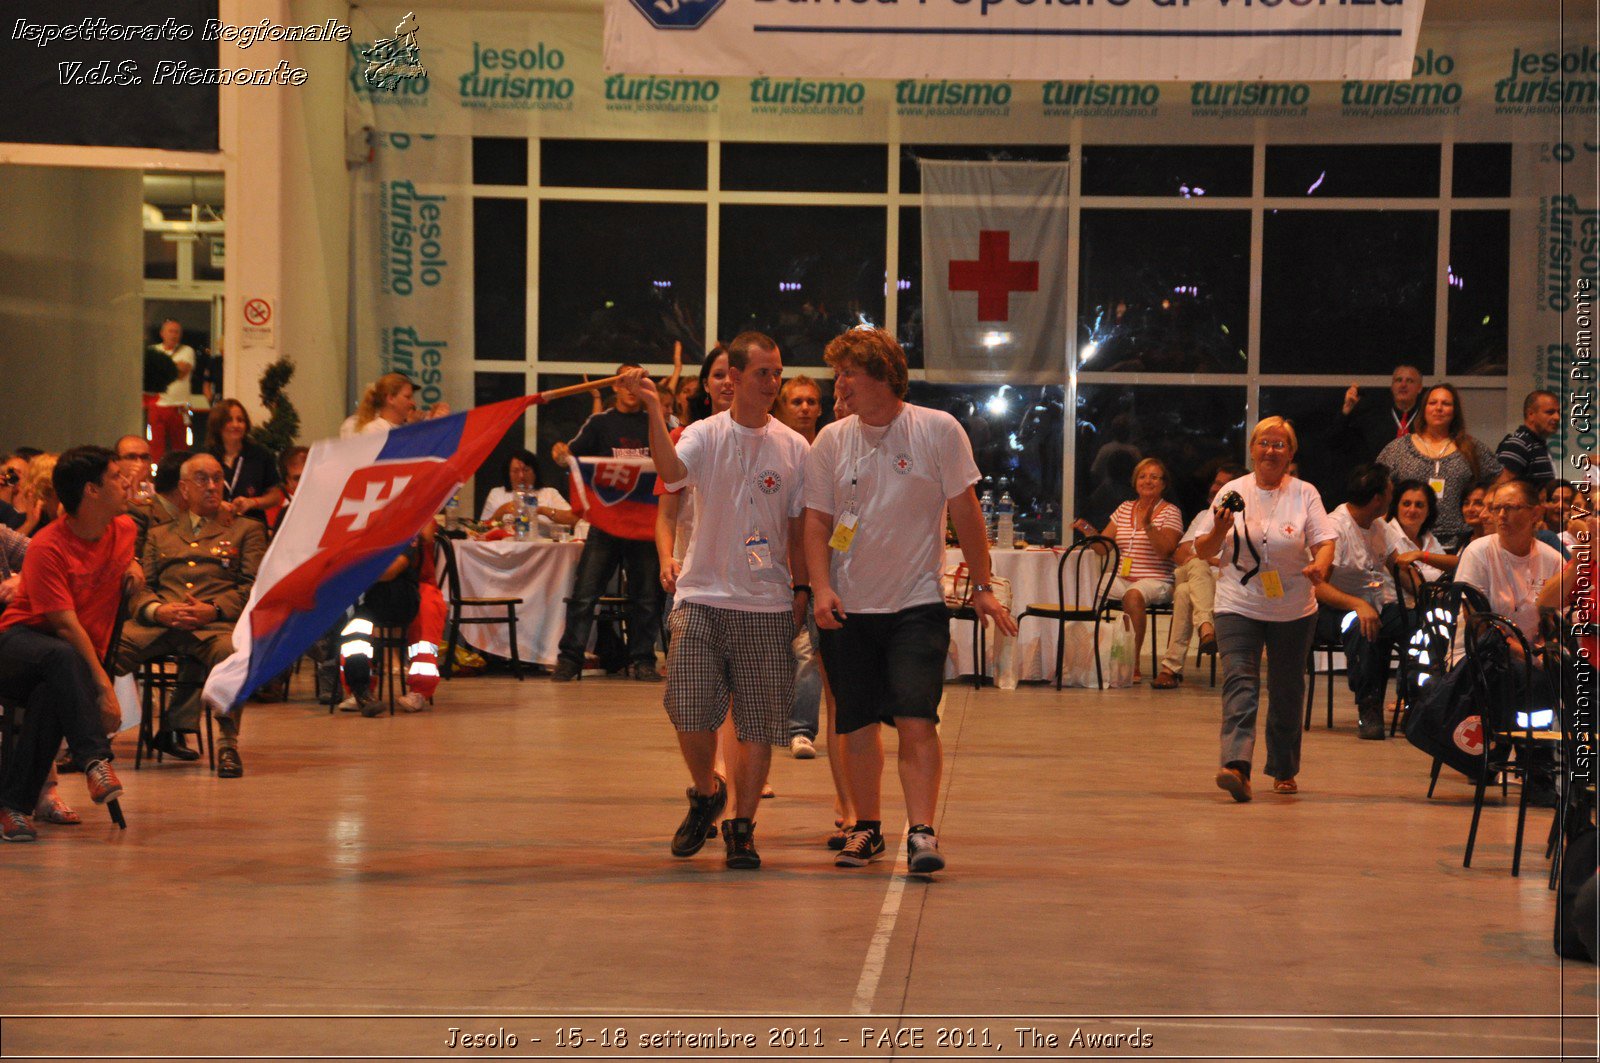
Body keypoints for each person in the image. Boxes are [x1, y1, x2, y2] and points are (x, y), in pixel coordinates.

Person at [804, 328, 1016, 874]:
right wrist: (821, 586)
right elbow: (819, 521)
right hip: (849, 606)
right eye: (838, 373)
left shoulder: (937, 430)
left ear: (882, 375)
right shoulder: (831, 440)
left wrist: (985, 589)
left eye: (848, 372)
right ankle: (867, 828)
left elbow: (967, 512)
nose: (840, 384)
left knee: (916, 717)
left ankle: (921, 830)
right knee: (854, 724)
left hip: (916, 603)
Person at [623, 333, 809, 870]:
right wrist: (655, 409)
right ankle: (706, 792)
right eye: (762, 374)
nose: (772, 383)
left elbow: (798, 527)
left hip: (768, 603)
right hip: (702, 594)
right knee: (688, 706)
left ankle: (743, 826)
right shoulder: (703, 435)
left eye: (777, 373)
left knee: (757, 723)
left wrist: (800, 587)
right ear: (735, 376)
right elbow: (672, 475)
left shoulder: (794, 447)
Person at [1190, 416, 1335, 802]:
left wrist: (1320, 565)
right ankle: (1236, 766)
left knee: (1287, 688)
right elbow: (1202, 551)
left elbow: (1325, 541)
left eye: (1279, 445)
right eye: (1264, 443)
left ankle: (1284, 767)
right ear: (1252, 448)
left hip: (1293, 606)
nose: (1271, 451)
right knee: (1241, 679)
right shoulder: (1232, 491)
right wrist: (1220, 530)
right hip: (1238, 601)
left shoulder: (1306, 493)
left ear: (1291, 453)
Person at [0, 447, 134, 842]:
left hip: (62, 659)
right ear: (91, 490)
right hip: (15, 645)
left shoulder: (125, 531)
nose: (126, 481)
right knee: (63, 658)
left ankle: (13, 810)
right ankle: (95, 759)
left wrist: (135, 566)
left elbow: (121, 558)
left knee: (53, 691)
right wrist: (104, 688)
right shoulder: (47, 546)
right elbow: (66, 625)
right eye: (115, 476)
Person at [117, 453, 266, 776]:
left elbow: (251, 586)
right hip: (161, 623)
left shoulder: (246, 530)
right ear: (184, 489)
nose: (212, 486)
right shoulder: (161, 534)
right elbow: (144, 586)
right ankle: (84, 743)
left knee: (232, 654)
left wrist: (211, 609)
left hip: (213, 626)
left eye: (217, 479)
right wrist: (158, 611)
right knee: (103, 649)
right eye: (202, 479)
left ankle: (228, 745)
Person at [550, 365, 662, 683]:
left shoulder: (656, 421)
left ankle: (643, 660)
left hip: (643, 525)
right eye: (623, 382)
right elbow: (572, 459)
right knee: (585, 593)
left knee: (646, 596)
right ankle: (569, 660)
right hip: (605, 523)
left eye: (636, 382)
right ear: (614, 386)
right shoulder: (600, 423)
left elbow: (672, 459)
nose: (629, 388)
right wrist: (561, 455)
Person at [1312, 464, 1406, 740]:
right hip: (1332, 610)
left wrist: (1422, 590)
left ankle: (1417, 700)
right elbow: (1318, 588)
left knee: (1415, 622)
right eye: (1390, 491)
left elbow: (1398, 568)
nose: (1393, 496)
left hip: (1374, 604)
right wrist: (1356, 604)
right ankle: (1369, 706)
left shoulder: (1379, 527)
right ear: (1378, 499)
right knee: (1362, 626)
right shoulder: (1334, 528)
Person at [1072, 457, 1183, 682]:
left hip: (1157, 580)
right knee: (1085, 587)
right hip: (1122, 576)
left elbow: (1166, 550)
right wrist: (1087, 530)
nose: (1147, 481)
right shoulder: (1124, 508)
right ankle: (1082, 658)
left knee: (1133, 596)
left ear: (1163, 484)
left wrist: (1148, 525)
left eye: (1154, 477)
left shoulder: (1171, 511)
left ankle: (1131, 663)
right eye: (1142, 476)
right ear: (1135, 482)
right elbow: (1103, 548)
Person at [1151, 462, 1244, 689]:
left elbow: (1242, 561)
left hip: (1222, 583)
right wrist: (1207, 557)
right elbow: (1181, 553)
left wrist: (1205, 556)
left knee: (1184, 592)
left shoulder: (1244, 521)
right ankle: (1205, 625)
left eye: (1221, 485)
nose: (1214, 488)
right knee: (1197, 566)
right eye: (1215, 482)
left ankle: (1170, 669)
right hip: (1195, 573)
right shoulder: (1204, 515)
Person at [1376, 383, 1501, 550]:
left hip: (1460, 542)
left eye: (1446, 404)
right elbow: (1377, 490)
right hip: (1406, 542)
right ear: (1424, 408)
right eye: (1433, 403)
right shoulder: (1398, 449)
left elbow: (1501, 482)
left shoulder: (1471, 448)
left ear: (1454, 411)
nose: (1439, 408)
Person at [1454, 479, 1565, 649]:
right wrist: (1527, 656)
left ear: (1535, 513)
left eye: (1510, 507)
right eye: (1496, 508)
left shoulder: (1553, 559)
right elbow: (1477, 624)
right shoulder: (1477, 552)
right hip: (1483, 655)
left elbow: (1556, 622)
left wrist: (1547, 653)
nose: (1501, 515)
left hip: (1535, 654)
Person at [205, 400, 284, 524]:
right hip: (214, 525)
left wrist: (252, 502)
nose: (235, 425)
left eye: (240, 420)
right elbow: (195, 495)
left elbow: (275, 496)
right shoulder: (206, 457)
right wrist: (217, 504)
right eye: (229, 420)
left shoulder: (261, 455)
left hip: (252, 525)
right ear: (217, 425)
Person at [1337, 364, 1424, 460]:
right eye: (1398, 380)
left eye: (1409, 381)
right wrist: (1346, 412)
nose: (1403, 385)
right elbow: (1336, 441)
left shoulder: (1426, 419)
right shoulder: (1373, 417)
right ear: (1392, 386)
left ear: (1419, 388)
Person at [1386, 479, 1454, 601]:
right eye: (1406, 504)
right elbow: (1413, 585)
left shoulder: (1428, 537)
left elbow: (1456, 565)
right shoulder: (1387, 534)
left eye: (1419, 505)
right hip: (1399, 610)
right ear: (1396, 507)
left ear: (1428, 511)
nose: (1412, 510)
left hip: (1432, 607)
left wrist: (1420, 555)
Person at [479, 448, 576, 533]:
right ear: (508, 474)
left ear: (535, 472)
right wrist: (502, 510)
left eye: (526, 470)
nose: (521, 476)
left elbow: (575, 520)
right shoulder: (497, 494)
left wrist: (542, 510)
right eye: (516, 471)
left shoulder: (549, 493)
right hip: (505, 549)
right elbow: (482, 528)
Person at [341, 373, 450, 438]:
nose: (413, 403)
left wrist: (436, 423)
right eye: (407, 397)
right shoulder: (374, 430)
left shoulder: (401, 428)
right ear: (391, 398)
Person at [147, 319, 196, 460]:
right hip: (157, 405)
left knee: (182, 446)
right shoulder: (153, 350)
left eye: (177, 332)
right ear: (162, 333)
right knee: (155, 445)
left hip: (183, 406)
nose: (174, 335)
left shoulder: (187, 351)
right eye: (171, 331)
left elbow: (182, 372)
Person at [1495, 390, 1562, 486]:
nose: (1557, 417)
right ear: (1531, 414)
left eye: (1558, 412)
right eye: (1550, 412)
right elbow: (1501, 489)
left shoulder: (1537, 444)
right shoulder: (1517, 445)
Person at [0, 453, 31, 530]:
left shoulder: (33, 512)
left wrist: (21, 512)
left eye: (16, 476)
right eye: (8, 473)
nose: (11, 477)